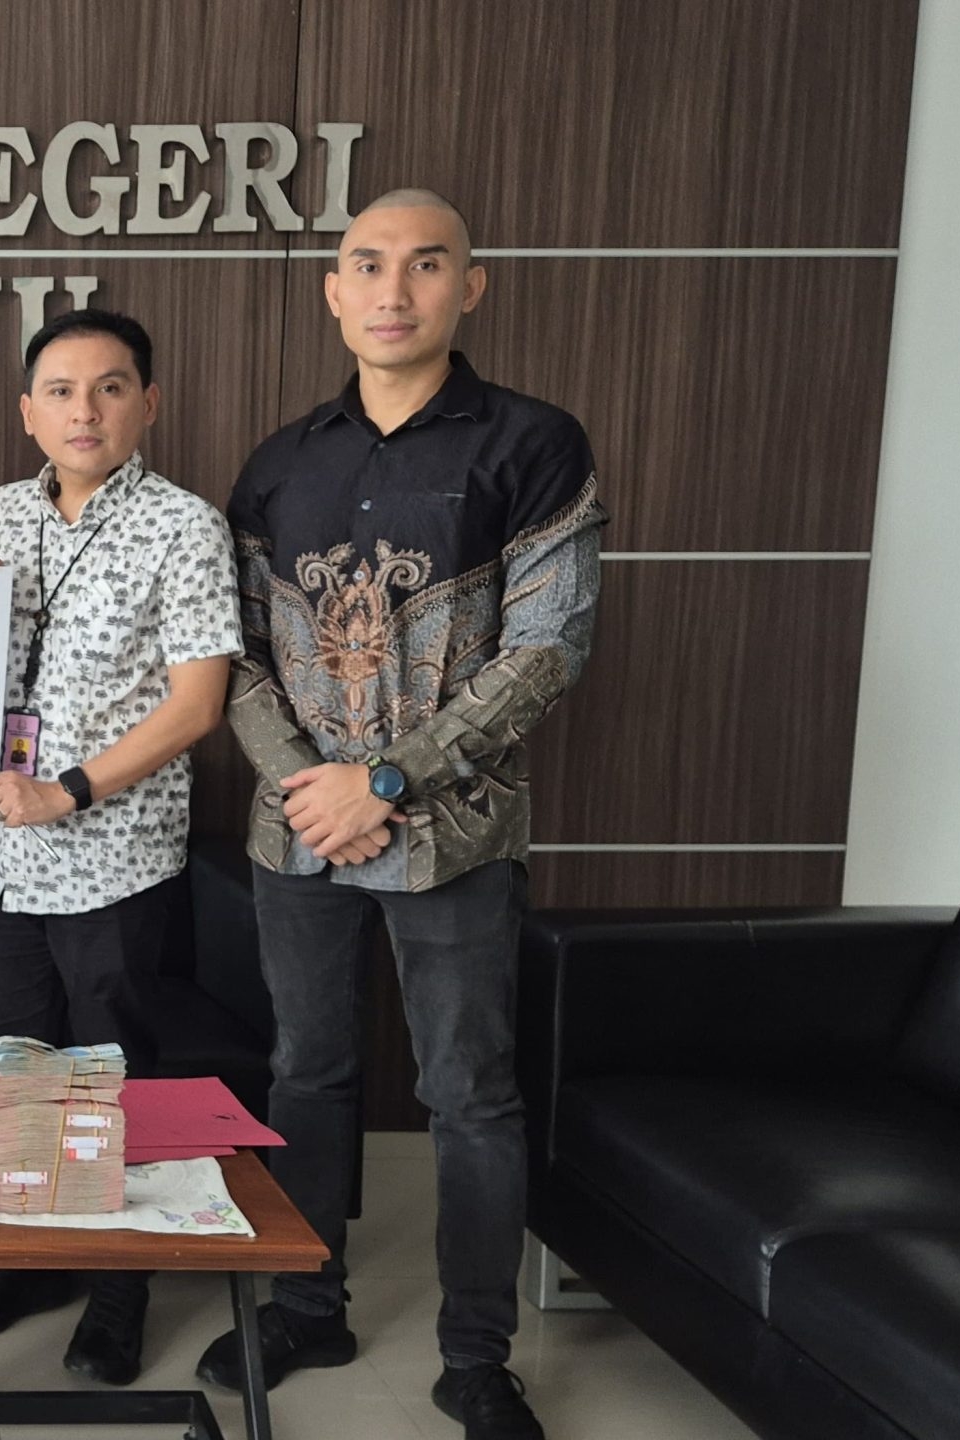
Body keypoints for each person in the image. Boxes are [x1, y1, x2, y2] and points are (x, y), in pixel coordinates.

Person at [197, 189, 605, 1440]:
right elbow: (235, 654)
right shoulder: (280, 461)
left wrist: (382, 780)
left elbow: (547, 647)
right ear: (332, 291)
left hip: (454, 835)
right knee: (306, 1071)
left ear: (468, 287)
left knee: (468, 1094)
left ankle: (475, 1358)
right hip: (295, 833)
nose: (393, 289)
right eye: (367, 265)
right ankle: (305, 1305)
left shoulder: (533, 444)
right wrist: (310, 786)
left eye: (425, 265)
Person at [0, 309, 241, 1384]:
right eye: (60, 389)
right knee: (11, 1068)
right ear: (27, 412)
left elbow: (197, 704)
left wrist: (72, 789)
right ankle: (35, 1256)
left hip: (115, 856)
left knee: (107, 1076)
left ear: (148, 403)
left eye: (109, 387)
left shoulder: (184, 526)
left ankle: (117, 1287)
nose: (83, 410)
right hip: (1, 857)